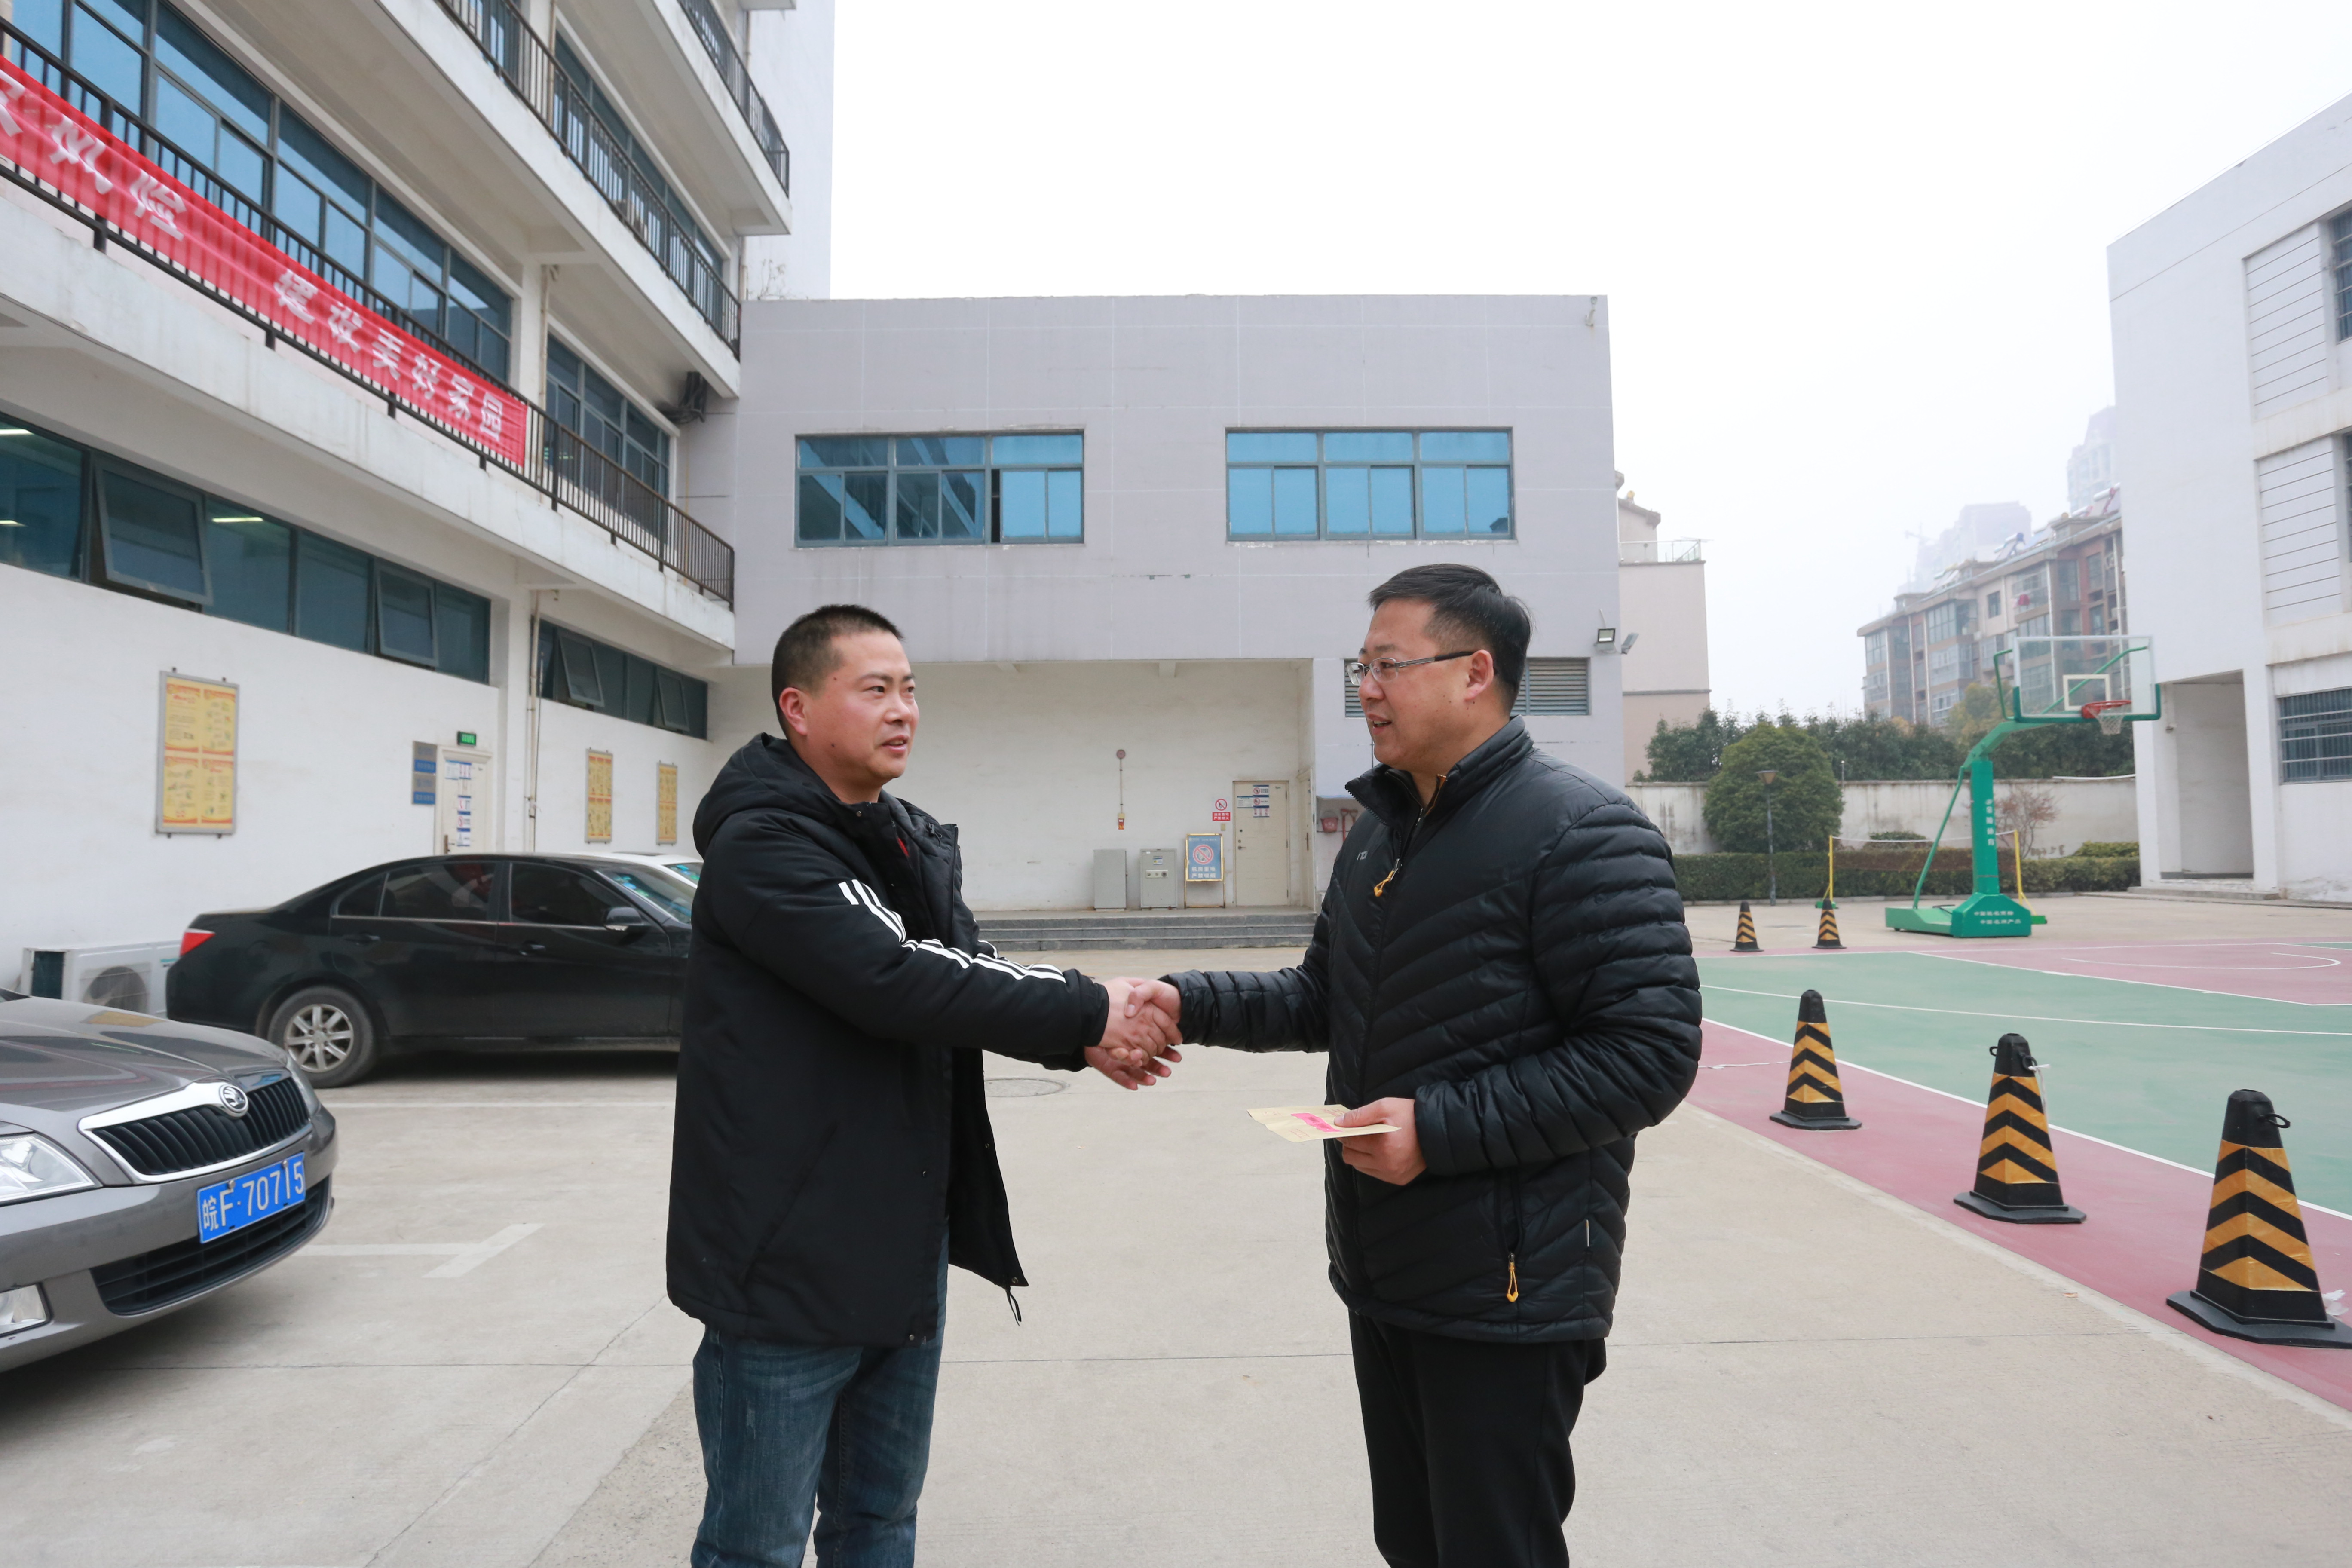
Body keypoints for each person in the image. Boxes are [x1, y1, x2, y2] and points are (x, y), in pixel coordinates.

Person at [1124, 564, 1700, 1568]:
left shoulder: (1582, 832)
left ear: (1476, 672)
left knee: (1492, 1549)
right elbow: (1323, 997)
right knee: (1414, 1543)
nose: (1367, 689)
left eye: (1389, 666)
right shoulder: (1383, 833)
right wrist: (1189, 1000)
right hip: (1389, 1271)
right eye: (1362, 667)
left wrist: (1437, 1129)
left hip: (1508, 1290)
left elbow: (1647, 1054)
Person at [668, 603, 1181, 1568]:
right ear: (798, 709)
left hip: (901, 1248)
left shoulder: (899, 838)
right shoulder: (764, 844)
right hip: (785, 1263)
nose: (904, 710)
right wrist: (1088, 1009)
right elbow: (895, 979)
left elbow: (968, 973)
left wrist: (1082, 1041)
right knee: (755, 1547)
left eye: (909, 689)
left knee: (879, 1520)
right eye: (875, 690)